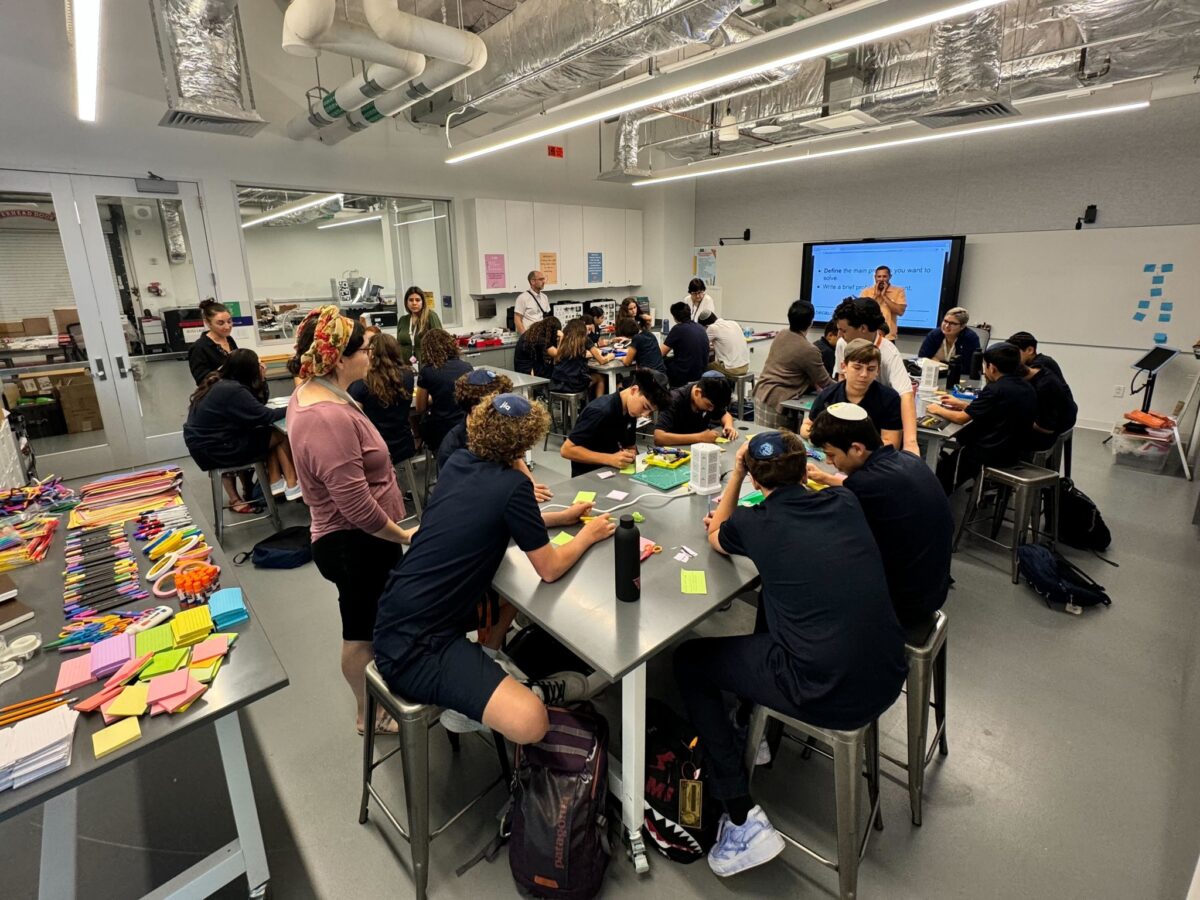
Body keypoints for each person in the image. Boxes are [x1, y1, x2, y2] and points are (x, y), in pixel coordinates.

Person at [674, 431, 906, 877]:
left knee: (688, 661)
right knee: (774, 601)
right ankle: (754, 729)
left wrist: (737, 471)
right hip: (886, 669)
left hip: (826, 690)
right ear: (805, 471)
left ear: (756, 481)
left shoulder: (754, 521)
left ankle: (740, 816)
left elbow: (717, 536)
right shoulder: (846, 503)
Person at [374, 393, 615, 744]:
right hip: (416, 650)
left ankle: (487, 662)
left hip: (396, 614)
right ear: (525, 443)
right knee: (533, 723)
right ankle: (516, 694)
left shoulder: (458, 462)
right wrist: (588, 535)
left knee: (511, 594)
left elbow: (495, 511)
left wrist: (561, 518)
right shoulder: (514, 486)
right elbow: (548, 568)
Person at [286, 306, 415, 736]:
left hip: (359, 538)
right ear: (337, 357)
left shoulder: (318, 391)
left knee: (371, 623)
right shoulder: (327, 417)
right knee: (360, 634)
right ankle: (368, 713)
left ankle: (377, 700)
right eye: (363, 348)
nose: (370, 353)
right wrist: (405, 536)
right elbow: (356, 507)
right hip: (355, 543)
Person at [807, 404, 953, 629]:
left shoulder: (865, 486)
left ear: (856, 448)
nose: (828, 463)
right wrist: (825, 478)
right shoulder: (906, 459)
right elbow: (865, 483)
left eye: (831, 455)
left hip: (904, 604)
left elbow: (820, 528)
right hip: (933, 587)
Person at [183, 348, 300, 509]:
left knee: (267, 434)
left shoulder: (220, 382)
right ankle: (288, 482)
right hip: (217, 450)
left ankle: (278, 482)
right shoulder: (232, 390)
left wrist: (262, 379)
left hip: (207, 447)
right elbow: (265, 415)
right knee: (279, 435)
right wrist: (296, 405)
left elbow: (256, 406)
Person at [926, 342, 1037, 493]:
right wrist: (962, 404)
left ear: (992, 367)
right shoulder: (1026, 387)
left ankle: (936, 498)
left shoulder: (994, 389)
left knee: (943, 473)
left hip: (988, 453)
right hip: (1014, 452)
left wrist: (937, 409)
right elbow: (996, 410)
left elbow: (961, 419)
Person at [832, 297, 918, 455]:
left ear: (863, 328)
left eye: (844, 330)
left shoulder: (889, 353)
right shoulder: (843, 344)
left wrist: (911, 443)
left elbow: (906, 395)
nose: (840, 335)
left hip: (880, 420)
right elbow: (842, 378)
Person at [561, 368, 671, 476]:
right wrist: (610, 459)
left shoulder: (631, 411)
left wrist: (631, 453)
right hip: (588, 476)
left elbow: (630, 445)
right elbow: (567, 450)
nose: (645, 414)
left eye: (650, 411)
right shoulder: (600, 411)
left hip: (613, 472)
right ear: (634, 390)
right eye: (645, 407)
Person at [802, 339, 902, 448]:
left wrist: (853, 450)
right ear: (844, 367)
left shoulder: (889, 399)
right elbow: (806, 426)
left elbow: (891, 443)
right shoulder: (828, 395)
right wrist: (821, 437)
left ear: (878, 371)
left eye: (871, 369)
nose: (864, 374)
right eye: (857, 368)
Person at [751, 300, 833, 429]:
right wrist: (846, 388)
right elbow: (825, 382)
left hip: (762, 394)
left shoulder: (782, 334)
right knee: (779, 445)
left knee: (762, 441)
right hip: (777, 402)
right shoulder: (809, 350)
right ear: (811, 322)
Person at [349, 333, 416, 466]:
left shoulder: (362, 383)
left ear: (372, 354)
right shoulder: (408, 375)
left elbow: (353, 420)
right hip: (404, 444)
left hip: (375, 449)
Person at [436, 368, 514, 470]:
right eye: (497, 405)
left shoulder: (500, 429)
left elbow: (515, 461)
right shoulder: (452, 449)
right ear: (477, 409)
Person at [414, 328, 473, 453]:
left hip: (441, 430)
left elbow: (420, 408)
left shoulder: (427, 371)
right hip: (466, 427)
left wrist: (433, 399)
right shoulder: (467, 367)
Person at [653, 373, 737, 446]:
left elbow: (725, 415)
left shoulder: (709, 396)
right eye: (709, 405)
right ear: (697, 393)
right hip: (675, 450)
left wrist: (728, 426)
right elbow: (659, 437)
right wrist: (700, 437)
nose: (711, 410)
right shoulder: (673, 400)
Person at [1020, 361, 1077, 453]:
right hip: (1062, 420)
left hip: (1045, 435)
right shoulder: (1042, 370)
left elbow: (1047, 429)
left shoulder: (1044, 387)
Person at [550, 318, 611, 399]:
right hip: (574, 384)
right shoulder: (585, 339)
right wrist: (610, 357)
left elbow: (557, 359)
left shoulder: (563, 340)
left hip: (556, 383)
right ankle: (598, 405)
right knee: (600, 377)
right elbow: (601, 361)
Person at [188, 298, 238, 385]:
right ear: (207, 323)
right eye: (220, 323)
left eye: (229, 321)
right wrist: (224, 370)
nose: (227, 327)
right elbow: (201, 380)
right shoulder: (199, 347)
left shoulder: (229, 339)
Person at [662, 302, 711, 387]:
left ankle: (668, 395)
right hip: (700, 372)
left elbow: (661, 353)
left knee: (661, 363)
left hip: (685, 374)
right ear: (690, 313)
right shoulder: (700, 327)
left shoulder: (678, 329)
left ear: (674, 317)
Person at [396, 285, 443, 365]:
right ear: (406, 302)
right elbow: (398, 344)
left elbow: (440, 343)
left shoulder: (431, 316)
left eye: (417, 300)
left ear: (423, 302)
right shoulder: (403, 320)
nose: (414, 303)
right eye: (411, 300)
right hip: (405, 365)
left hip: (426, 364)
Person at [859, 265, 907, 340]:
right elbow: (861, 312)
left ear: (890, 277)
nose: (881, 279)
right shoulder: (866, 291)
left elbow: (900, 311)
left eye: (884, 276)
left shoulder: (899, 291)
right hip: (868, 336)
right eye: (879, 276)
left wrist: (884, 296)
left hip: (888, 337)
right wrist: (876, 296)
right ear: (875, 277)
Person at [699, 311, 750, 377]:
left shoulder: (712, 327)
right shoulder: (733, 323)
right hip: (745, 367)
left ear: (706, 325)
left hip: (732, 369)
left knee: (702, 367)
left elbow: (701, 344)